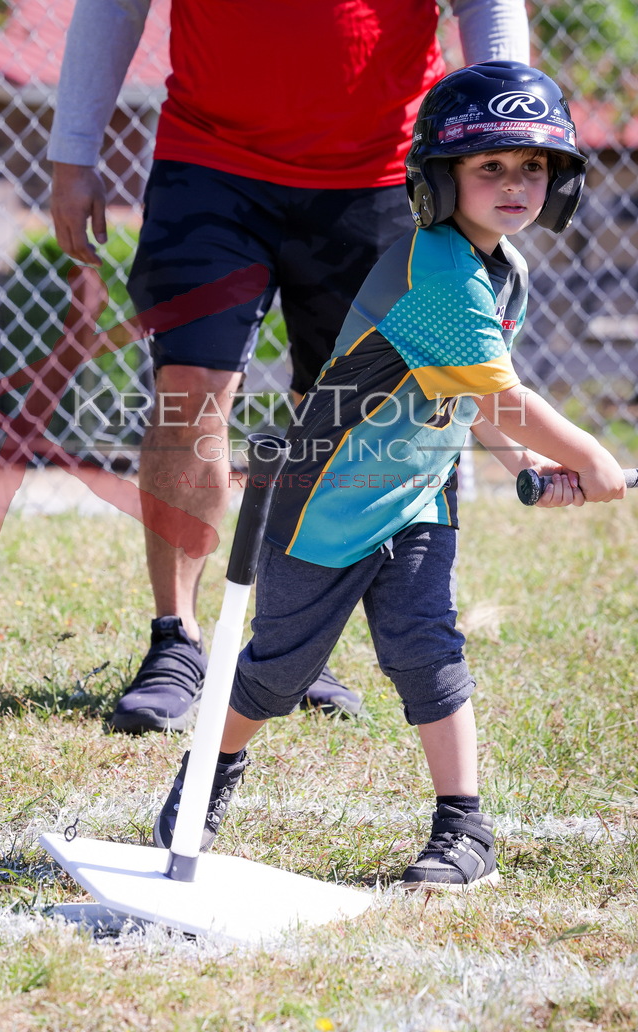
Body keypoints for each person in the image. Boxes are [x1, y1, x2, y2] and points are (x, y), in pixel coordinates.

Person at [48, 0, 531, 734]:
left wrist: (498, 140)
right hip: (210, 162)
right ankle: (176, 640)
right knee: (189, 391)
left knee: (344, 417)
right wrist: (73, 151)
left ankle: (292, 644)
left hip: (382, 168)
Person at [152, 61, 627, 889]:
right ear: (440, 180)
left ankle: (463, 827)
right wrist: (589, 458)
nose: (516, 183)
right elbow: (501, 395)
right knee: (278, 671)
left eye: (533, 166)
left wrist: (523, 463)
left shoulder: (503, 269)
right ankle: (211, 771)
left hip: (419, 494)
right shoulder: (436, 268)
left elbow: (470, 396)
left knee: (427, 649)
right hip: (328, 497)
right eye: (490, 166)